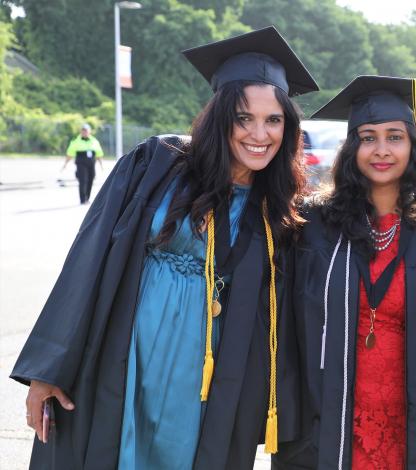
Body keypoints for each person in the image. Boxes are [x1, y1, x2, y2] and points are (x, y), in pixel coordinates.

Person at [11, 26, 319, 469]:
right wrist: (48, 369)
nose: (260, 134)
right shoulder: (159, 163)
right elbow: (88, 259)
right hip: (128, 348)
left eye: (274, 120)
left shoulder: (277, 208)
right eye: (244, 118)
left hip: (208, 372)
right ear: (220, 118)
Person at [273, 75, 416, 470]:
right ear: (352, 148)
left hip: (413, 418)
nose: (381, 150)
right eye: (368, 138)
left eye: (394, 137)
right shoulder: (312, 225)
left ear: (413, 147)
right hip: (331, 415)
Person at [62, 123, 104, 204]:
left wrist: (101, 165)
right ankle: (82, 199)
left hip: (91, 163)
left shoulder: (94, 141)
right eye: (83, 131)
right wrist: (65, 164)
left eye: (86, 131)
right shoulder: (75, 141)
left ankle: (87, 198)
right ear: (81, 132)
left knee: (91, 179)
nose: (84, 132)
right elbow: (70, 153)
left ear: (89, 132)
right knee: (83, 180)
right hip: (81, 162)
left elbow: (99, 154)